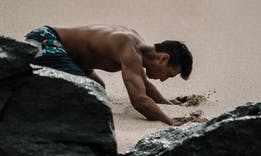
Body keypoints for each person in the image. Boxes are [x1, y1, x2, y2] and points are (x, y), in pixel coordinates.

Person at [25, 24, 193, 125]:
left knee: (98, 88)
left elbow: (145, 86)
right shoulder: (130, 50)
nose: (163, 80)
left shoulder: (137, 47)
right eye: (169, 75)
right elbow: (140, 101)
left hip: (65, 53)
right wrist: (169, 122)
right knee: (87, 93)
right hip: (46, 41)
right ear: (164, 58)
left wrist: (167, 104)